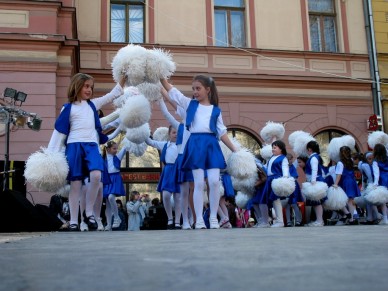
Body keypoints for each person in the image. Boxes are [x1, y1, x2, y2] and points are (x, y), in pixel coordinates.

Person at [47, 73, 125, 231]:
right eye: (86, 86)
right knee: (76, 184)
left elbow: (112, 94)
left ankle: (89, 212)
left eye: (91, 87)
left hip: (91, 146)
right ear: (77, 86)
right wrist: (51, 154)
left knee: (96, 175)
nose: (89, 89)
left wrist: (123, 78)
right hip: (74, 146)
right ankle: (74, 220)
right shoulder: (68, 108)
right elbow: (59, 132)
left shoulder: (93, 105)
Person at [160, 75, 237, 230]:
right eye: (193, 88)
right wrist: (161, 77)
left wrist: (236, 150)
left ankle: (214, 218)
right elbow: (174, 93)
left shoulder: (216, 110)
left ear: (208, 90)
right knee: (199, 184)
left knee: (215, 182)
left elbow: (222, 133)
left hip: (211, 144)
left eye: (198, 88)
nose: (195, 91)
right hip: (195, 144)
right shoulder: (190, 105)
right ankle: (200, 219)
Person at [146, 125, 181, 229]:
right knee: (166, 195)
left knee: (178, 197)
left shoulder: (182, 145)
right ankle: (170, 218)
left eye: (178, 133)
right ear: (169, 134)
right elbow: (151, 142)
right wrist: (143, 132)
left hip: (179, 170)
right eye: (174, 132)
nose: (176, 135)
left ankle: (178, 221)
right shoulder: (164, 145)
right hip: (168, 170)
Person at [262, 140, 290, 228]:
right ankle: (277, 220)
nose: (273, 149)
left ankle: (280, 221)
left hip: (277, 180)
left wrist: (284, 179)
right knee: (273, 201)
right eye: (272, 148)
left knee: (276, 200)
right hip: (270, 180)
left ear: (281, 149)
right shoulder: (271, 157)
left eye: (275, 148)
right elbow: (267, 167)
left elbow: (285, 169)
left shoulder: (283, 158)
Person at [102, 140, 128, 230]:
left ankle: (116, 218)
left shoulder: (117, 156)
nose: (116, 150)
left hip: (115, 179)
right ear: (108, 149)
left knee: (111, 197)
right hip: (107, 179)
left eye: (117, 148)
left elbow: (125, 148)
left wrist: (130, 137)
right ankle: (109, 224)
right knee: (107, 204)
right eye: (114, 148)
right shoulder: (103, 159)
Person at [333, 146, 361, 225]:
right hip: (352, 181)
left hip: (345, 182)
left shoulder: (340, 163)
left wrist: (335, 184)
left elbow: (339, 175)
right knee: (350, 201)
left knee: (339, 200)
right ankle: (352, 218)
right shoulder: (351, 161)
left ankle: (347, 214)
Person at [304, 141, 327, 227]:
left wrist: (313, 181)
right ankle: (319, 220)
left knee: (317, 202)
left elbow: (314, 170)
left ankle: (320, 220)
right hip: (315, 180)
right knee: (315, 202)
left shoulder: (313, 158)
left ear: (309, 149)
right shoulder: (315, 157)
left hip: (315, 180)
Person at [285, 153, 303, 227]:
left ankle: (299, 220)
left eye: (291, 159)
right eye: (289, 159)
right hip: (286, 186)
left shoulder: (293, 166)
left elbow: (295, 176)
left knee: (294, 203)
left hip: (293, 186)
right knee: (287, 205)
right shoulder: (283, 167)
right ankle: (288, 221)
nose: (290, 161)